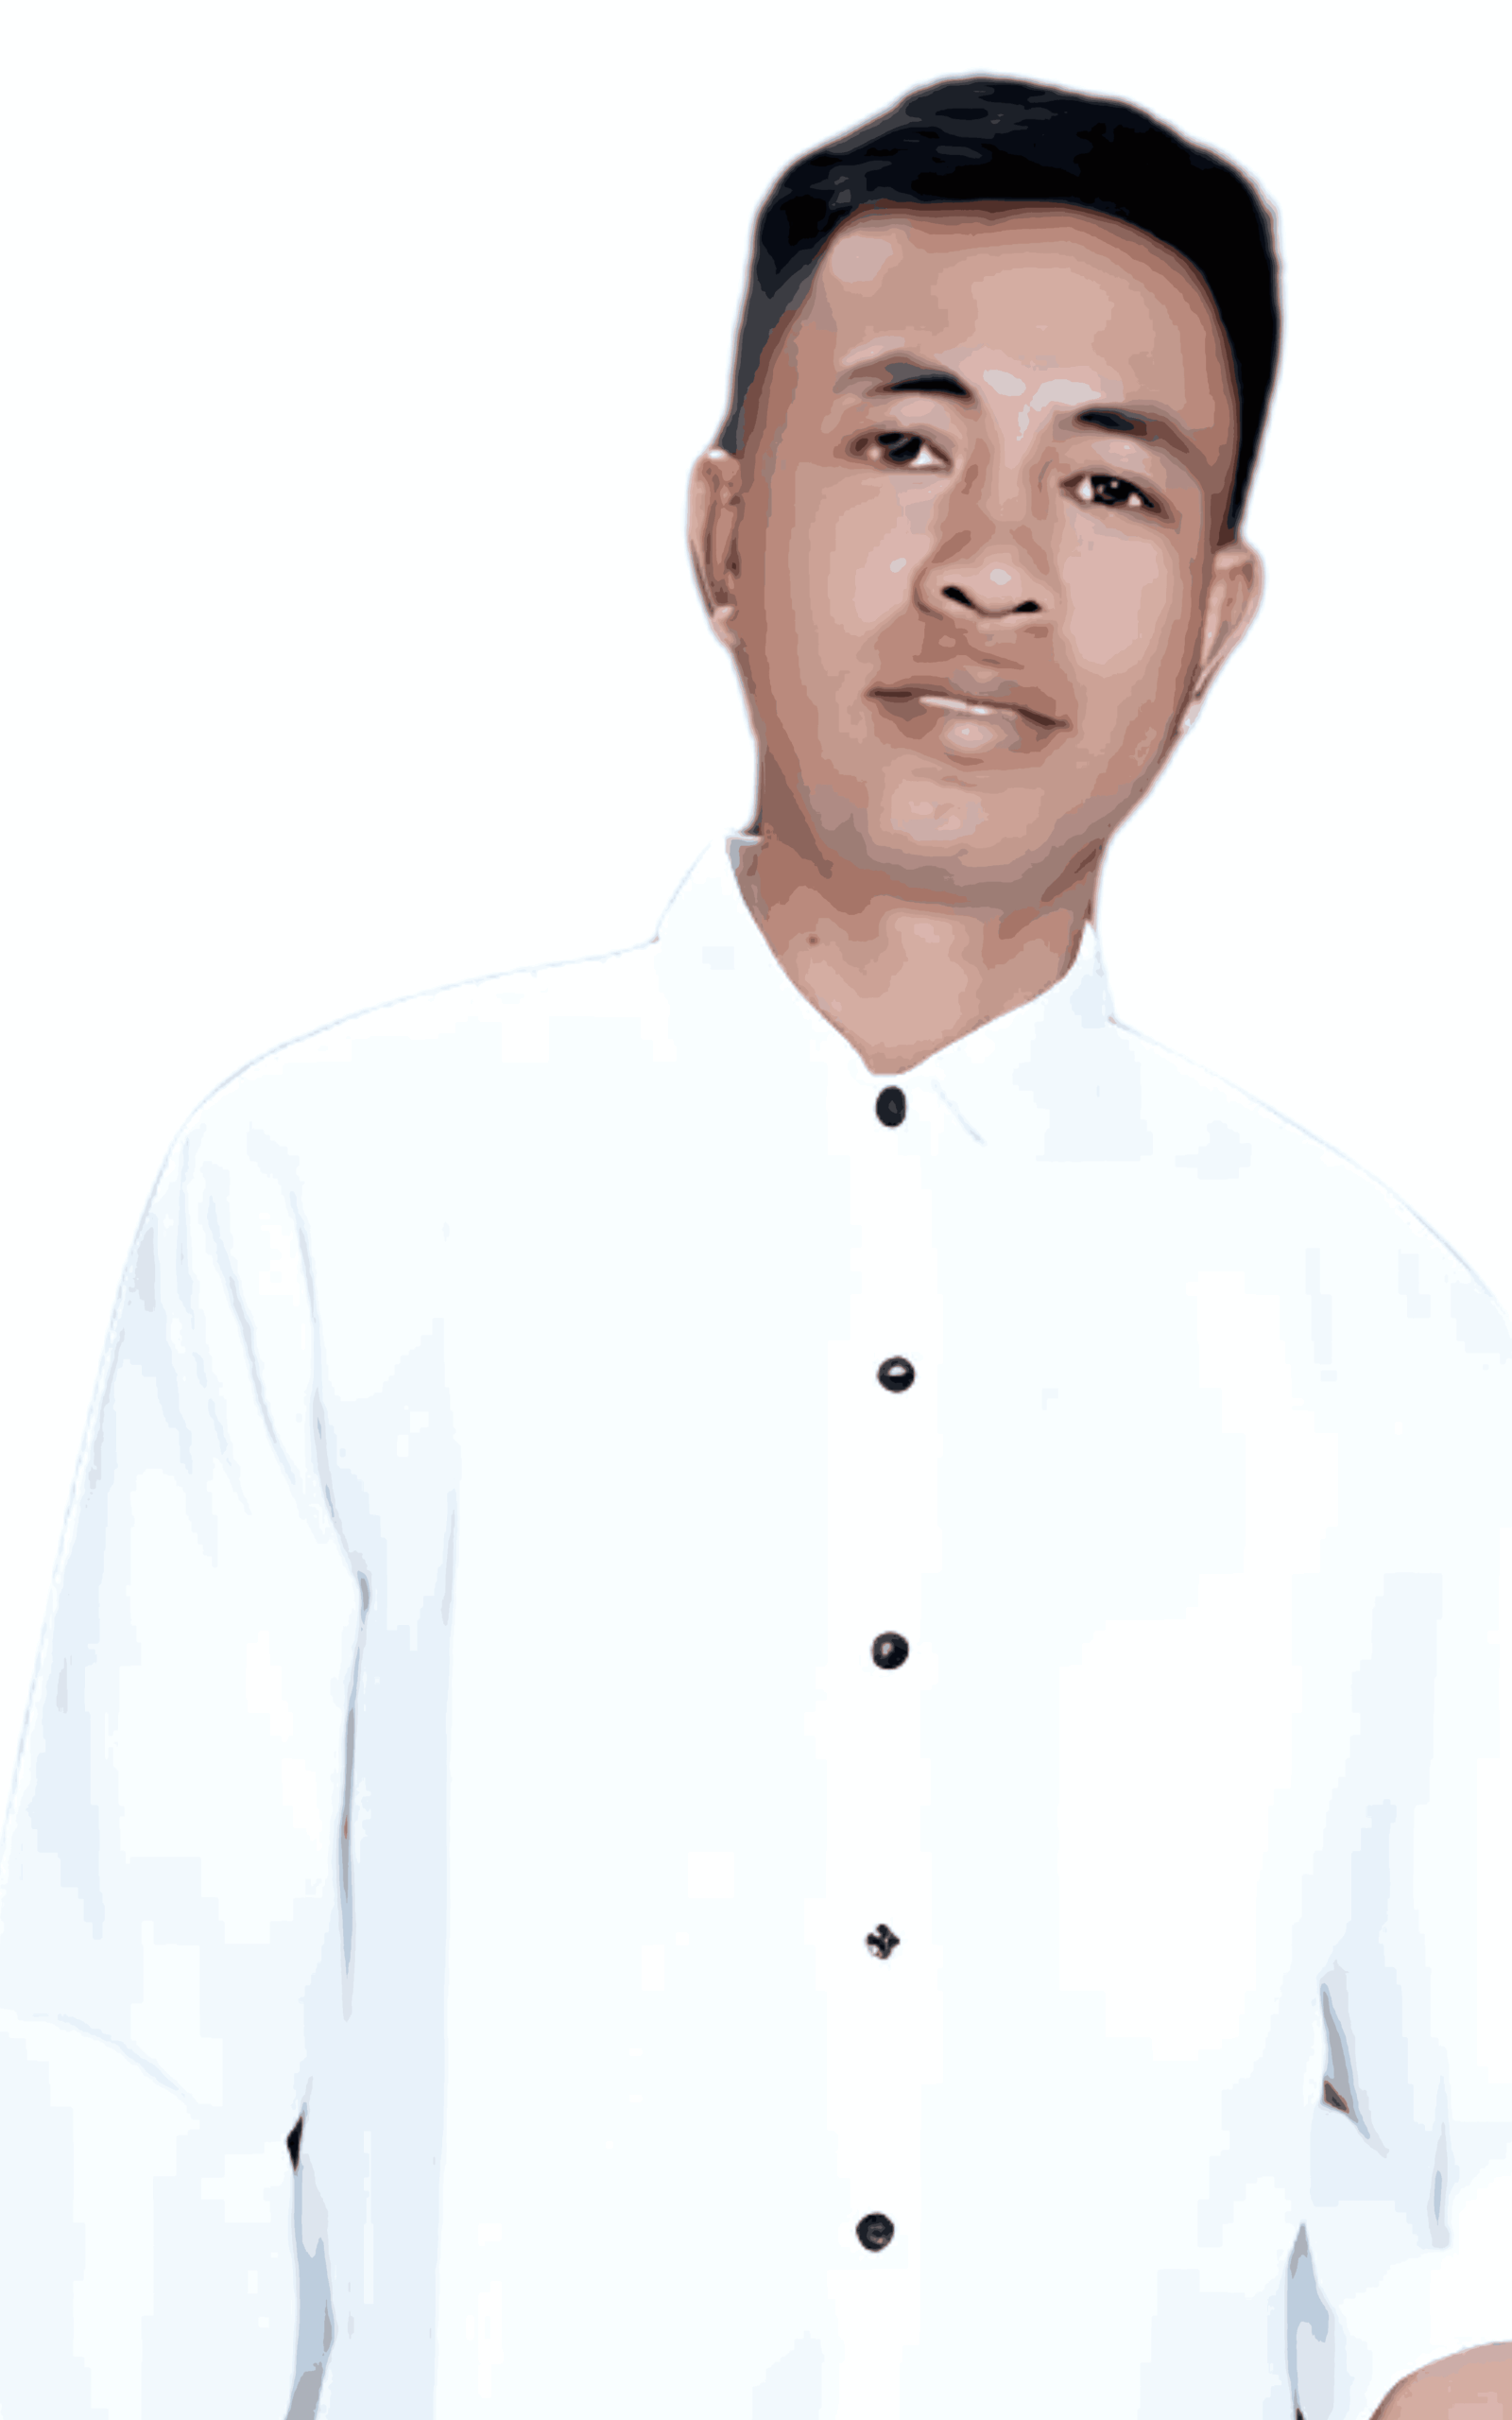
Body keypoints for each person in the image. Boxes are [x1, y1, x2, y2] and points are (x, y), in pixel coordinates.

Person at [1, 74, 1507, 2419]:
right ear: (722, 527)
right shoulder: (329, 1193)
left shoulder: (1381, 1329)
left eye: (1107, 484)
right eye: (903, 444)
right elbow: (137, 2085)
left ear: (1214, 616)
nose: (991, 566)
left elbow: (1453, 2188)